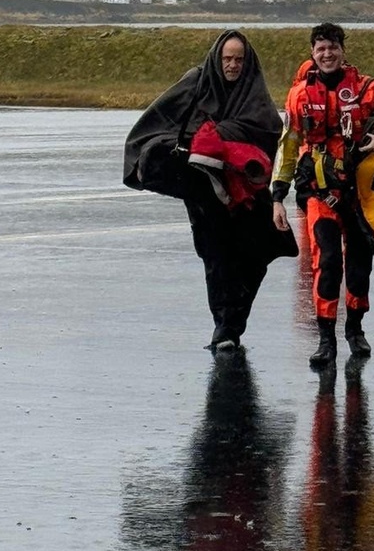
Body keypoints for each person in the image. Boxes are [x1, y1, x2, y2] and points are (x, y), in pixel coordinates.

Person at [123, 30, 293, 351]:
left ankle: (234, 322)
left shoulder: (254, 95)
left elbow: (270, 131)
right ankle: (224, 327)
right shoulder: (195, 86)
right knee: (215, 257)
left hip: (246, 196)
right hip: (204, 193)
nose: (232, 66)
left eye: (238, 60)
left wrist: (225, 138)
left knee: (251, 258)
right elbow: (160, 124)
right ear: (217, 59)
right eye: (227, 59)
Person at [271, 22, 374, 369]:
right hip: (318, 192)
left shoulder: (367, 90)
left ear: (342, 51)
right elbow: (289, 144)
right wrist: (278, 194)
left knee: (358, 263)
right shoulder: (299, 96)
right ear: (312, 53)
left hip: (359, 191)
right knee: (326, 262)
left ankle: (355, 329)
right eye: (321, 48)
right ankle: (326, 337)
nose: (327, 54)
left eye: (333, 47)